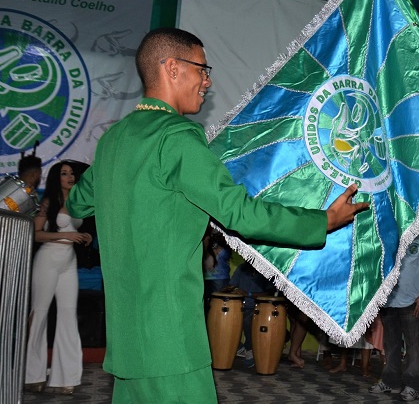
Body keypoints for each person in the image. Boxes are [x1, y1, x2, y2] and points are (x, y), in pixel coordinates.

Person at [66, 27, 367, 403]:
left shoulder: (114, 140)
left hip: (127, 341)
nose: (207, 80)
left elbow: (77, 203)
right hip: (171, 339)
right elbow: (240, 212)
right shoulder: (175, 137)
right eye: (202, 69)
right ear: (172, 68)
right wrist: (321, 222)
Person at [25, 160, 93, 395]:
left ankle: (66, 377)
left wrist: (84, 237)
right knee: (40, 313)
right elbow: (36, 234)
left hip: (68, 261)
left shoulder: (79, 202)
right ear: (57, 177)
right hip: (47, 260)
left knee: (67, 315)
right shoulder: (48, 201)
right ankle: (32, 374)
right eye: (64, 173)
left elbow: (78, 231)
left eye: (72, 173)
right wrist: (66, 236)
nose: (69, 177)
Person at [370, 229, 419, 401]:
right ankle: (390, 381)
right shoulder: (391, 232)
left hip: (413, 301)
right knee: (390, 344)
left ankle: (413, 386)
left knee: (414, 346)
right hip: (389, 300)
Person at [223, 261, 277, 367]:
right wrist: (226, 290)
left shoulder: (267, 270)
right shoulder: (242, 268)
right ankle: (237, 347)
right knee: (226, 319)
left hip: (261, 307)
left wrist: (248, 294)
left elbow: (270, 293)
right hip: (242, 306)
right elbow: (232, 285)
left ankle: (249, 349)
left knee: (248, 320)